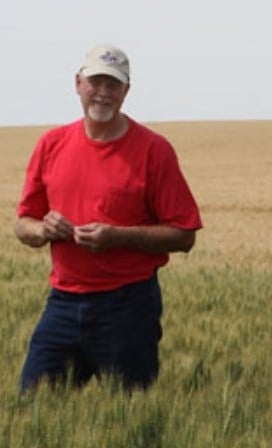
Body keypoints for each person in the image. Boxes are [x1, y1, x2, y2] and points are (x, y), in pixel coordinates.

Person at [15, 44, 202, 391]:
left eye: (113, 84)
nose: (103, 93)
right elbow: (22, 222)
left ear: (126, 91)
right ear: (78, 83)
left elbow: (184, 234)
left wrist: (117, 236)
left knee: (131, 416)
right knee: (32, 404)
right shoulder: (51, 143)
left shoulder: (153, 149)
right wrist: (44, 228)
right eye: (95, 82)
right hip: (63, 302)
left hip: (128, 305)